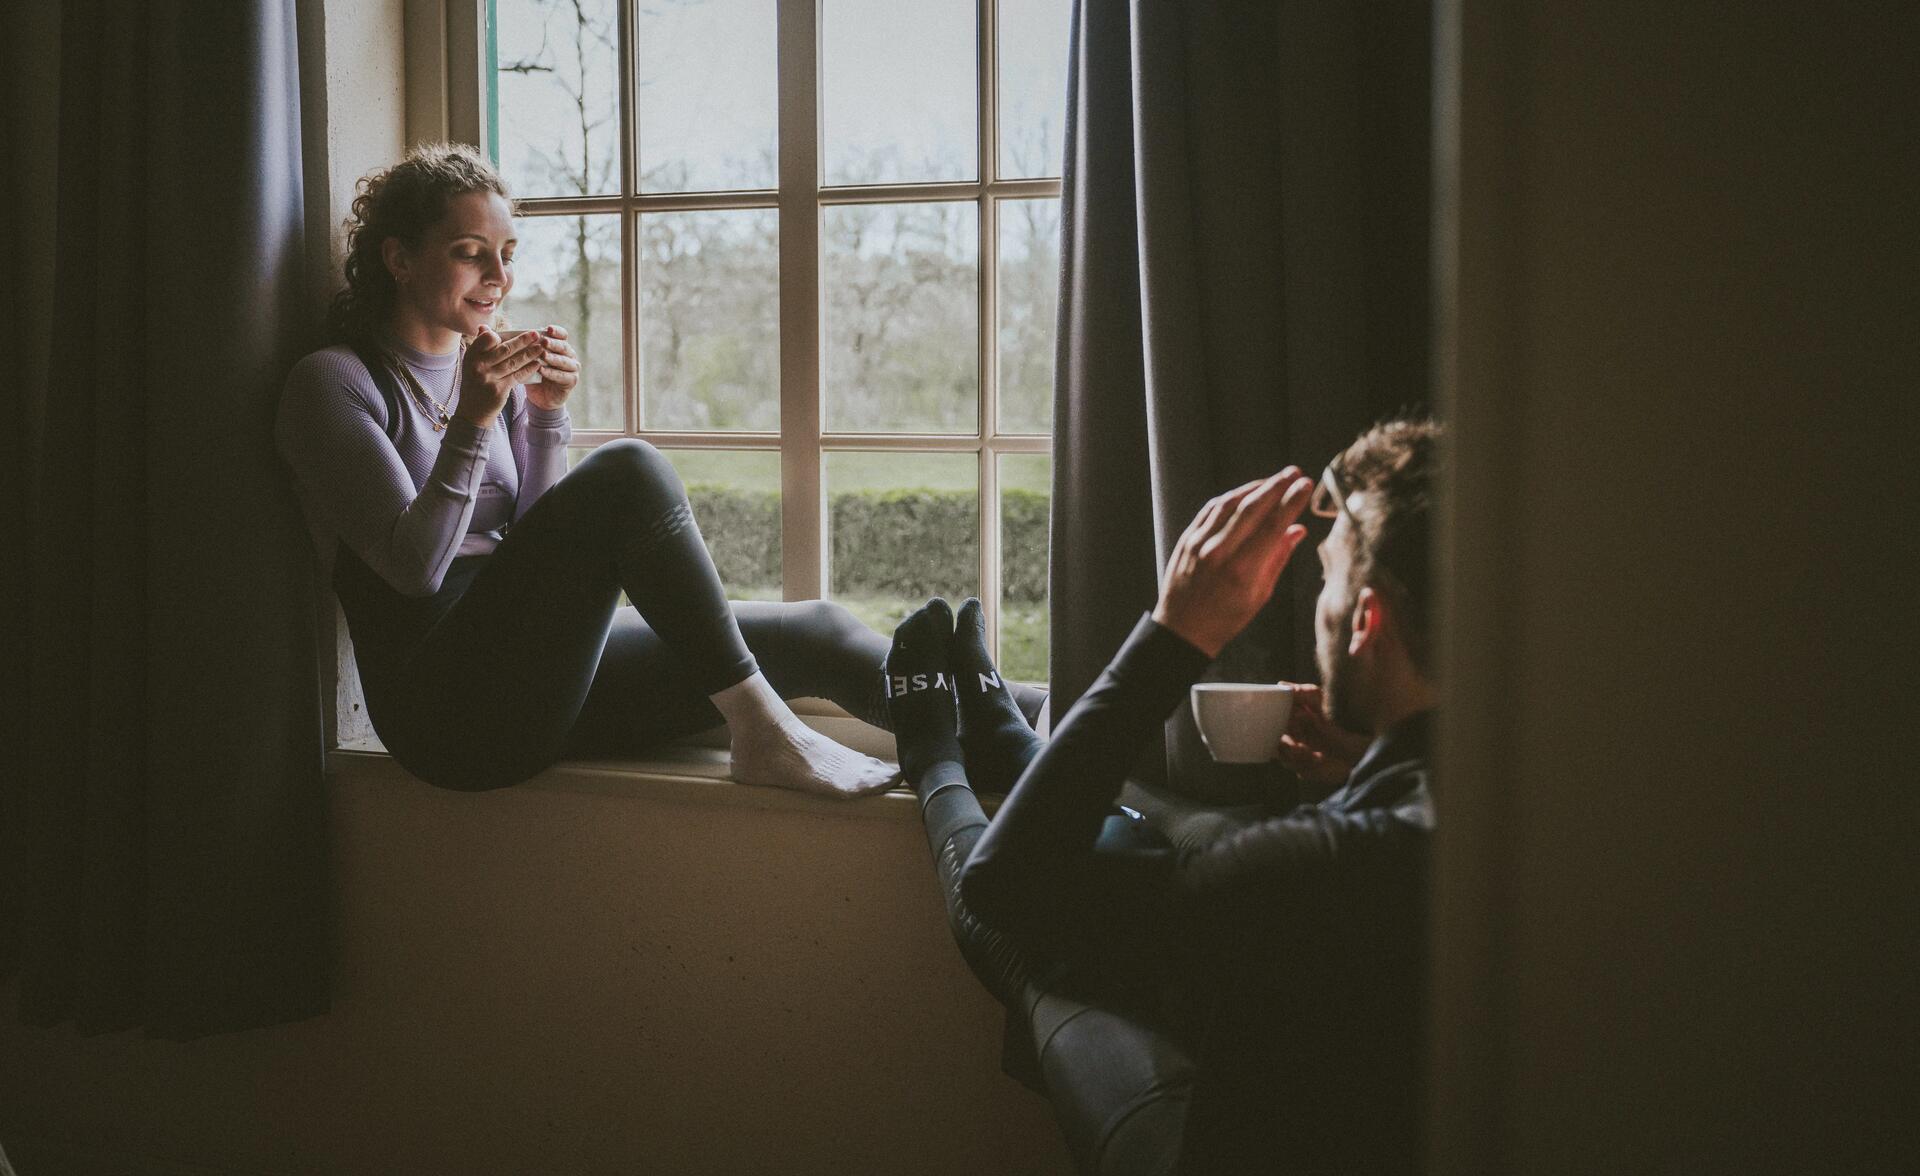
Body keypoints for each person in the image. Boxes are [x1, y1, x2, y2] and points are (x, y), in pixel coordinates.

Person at [278, 142, 1038, 795]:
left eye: (507, 255)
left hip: (536, 669)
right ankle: (761, 731)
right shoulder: (335, 383)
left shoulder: (488, 374)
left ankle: (1037, 730)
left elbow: (538, 538)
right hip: (448, 713)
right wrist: (477, 419)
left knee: (817, 630)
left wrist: (543, 414)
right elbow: (415, 572)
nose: (498, 278)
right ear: (400, 257)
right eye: (470, 252)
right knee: (630, 470)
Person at [885, 419, 1440, 1173]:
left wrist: (1175, 633)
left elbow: (1004, 888)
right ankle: (1016, 748)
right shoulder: (1534, 790)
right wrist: (1370, 760)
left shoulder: (1317, 869)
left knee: (1040, 954)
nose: (1319, 607)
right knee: (1189, 837)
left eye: (1327, 583)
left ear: (1366, 623)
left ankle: (933, 756)